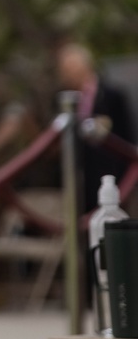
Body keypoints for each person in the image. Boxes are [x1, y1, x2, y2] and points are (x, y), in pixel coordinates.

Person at [56, 43, 136, 214]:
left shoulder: (113, 96)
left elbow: (126, 138)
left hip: (112, 178)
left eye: (68, 69)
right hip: (81, 179)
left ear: (83, 66)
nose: (65, 74)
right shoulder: (66, 99)